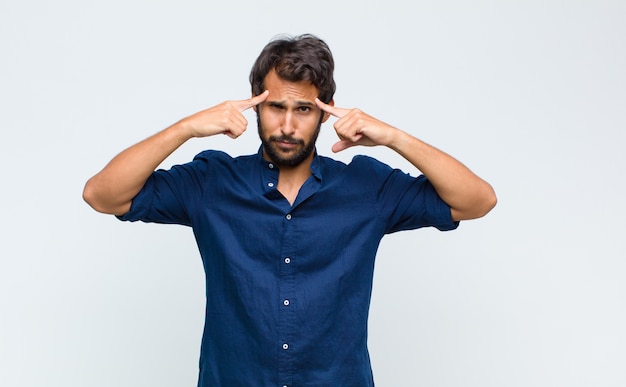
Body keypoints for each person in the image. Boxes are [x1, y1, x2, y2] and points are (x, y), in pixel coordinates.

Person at [83, 33, 496, 386]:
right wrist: (186, 127)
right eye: (276, 107)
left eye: (303, 109)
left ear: (326, 111)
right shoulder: (212, 182)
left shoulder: (366, 187)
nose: (286, 126)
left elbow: (477, 200)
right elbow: (103, 195)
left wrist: (393, 137)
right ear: (255, 106)